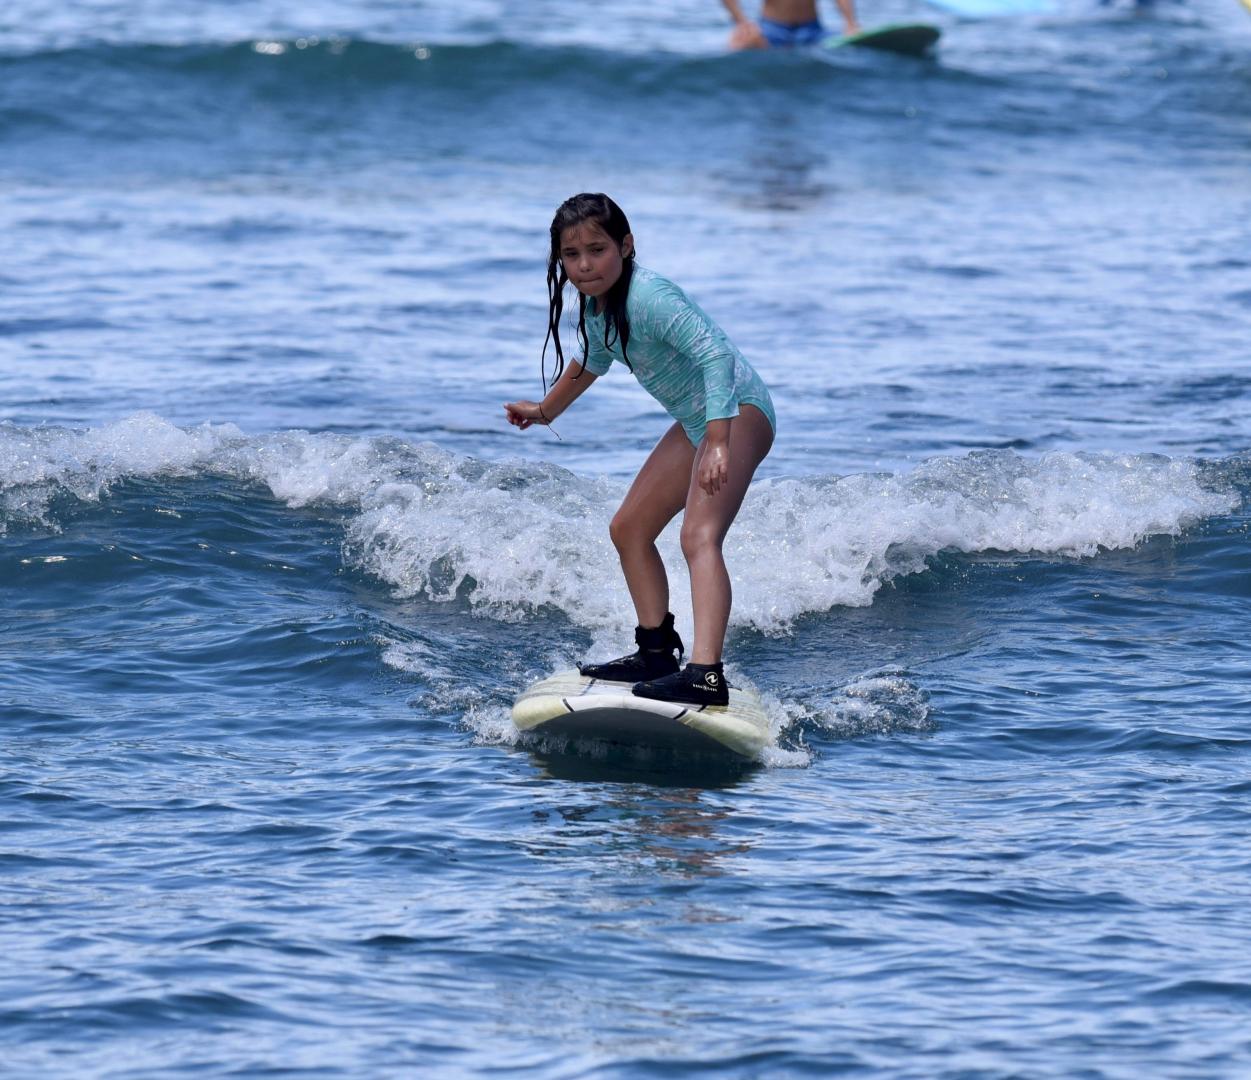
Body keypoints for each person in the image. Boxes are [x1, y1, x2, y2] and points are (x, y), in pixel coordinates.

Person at [504, 194, 776, 708]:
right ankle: (655, 651)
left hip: (737, 411)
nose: (584, 265)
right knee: (628, 529)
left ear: (626, 247)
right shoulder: (598, 305)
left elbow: (715, 354)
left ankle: (705, 674)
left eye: (597, 250)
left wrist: (719, 441)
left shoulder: (650, 297)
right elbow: (592, 361)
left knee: (699, 537)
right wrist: (544, 412)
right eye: (572, 254)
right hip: (700, 419)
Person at [720, 0, 860, 48]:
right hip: (771, 31)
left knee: (854, 43)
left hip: (813, 31)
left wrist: (850, 23)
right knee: (738, 45)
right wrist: (742, 23)